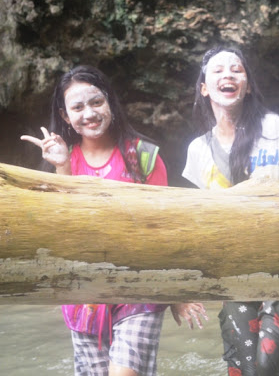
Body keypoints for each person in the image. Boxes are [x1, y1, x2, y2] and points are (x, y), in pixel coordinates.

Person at [21, 65, 207, 376]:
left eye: (96, 102)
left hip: (140, 288)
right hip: (84, 297)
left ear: (110, 103)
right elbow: (61, 231)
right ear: (65, 117)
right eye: (77, 107)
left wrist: (176, 293)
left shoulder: (144, 156)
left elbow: (166, 227)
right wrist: (62, 168)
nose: (89, 113)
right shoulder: (64, 163)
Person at [182, 46, 279, 375]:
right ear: (204, 88)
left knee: (268, 366)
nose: (228, 75)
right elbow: (198, 224)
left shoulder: (273, 127)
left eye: (237, 70)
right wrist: (180, 292)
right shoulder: (198, 150)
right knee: (245, 370)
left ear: (247, 85)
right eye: (218, 71)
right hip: (235, 274)